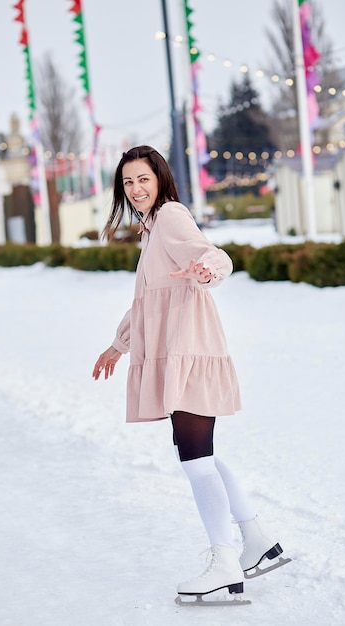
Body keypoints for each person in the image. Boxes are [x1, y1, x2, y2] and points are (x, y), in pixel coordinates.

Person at [92, 145, 287, 600]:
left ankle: (223, 560)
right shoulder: (152, 228)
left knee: (196, 459)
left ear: (159, 178)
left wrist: (207, 269)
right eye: (128, 182)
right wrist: (117, 345)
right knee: (198, 451)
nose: (136, 189)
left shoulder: (172, 216)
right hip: (178, 349)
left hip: (190, 350)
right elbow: (145, 303)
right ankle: (255, 539)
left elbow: (216, 257)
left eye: (143, 179)